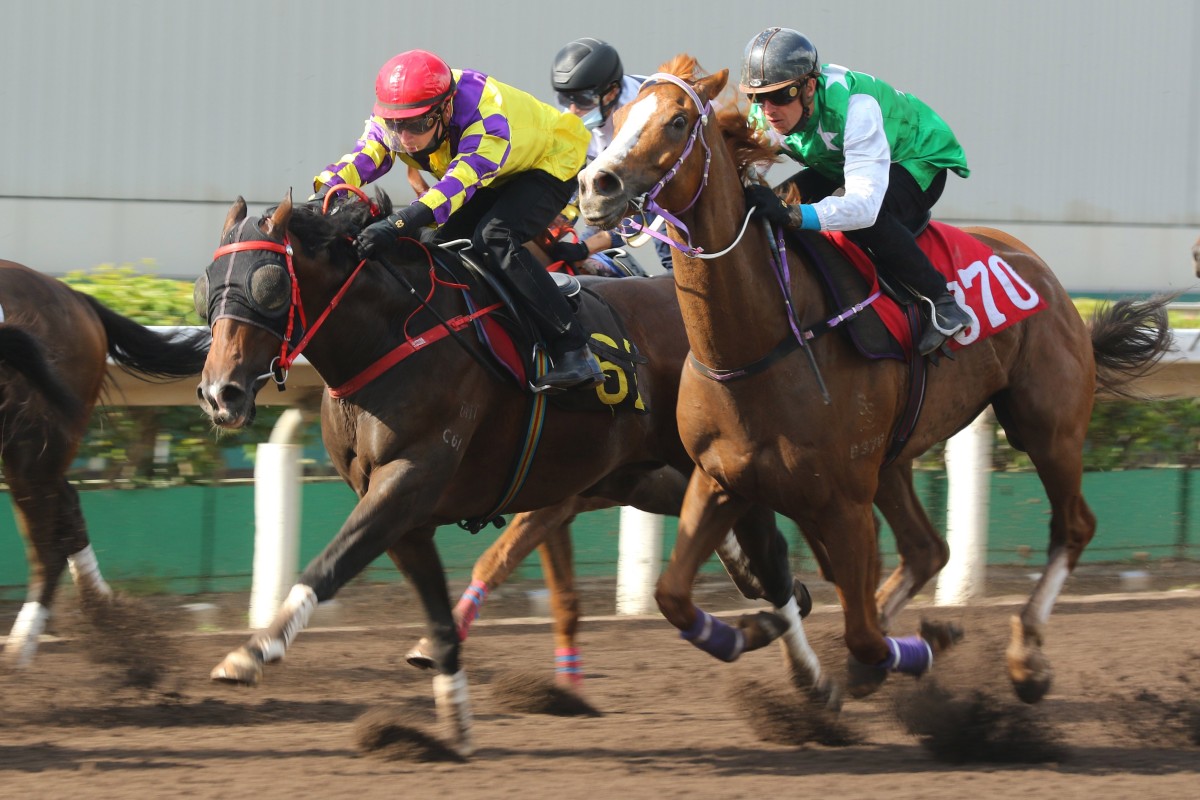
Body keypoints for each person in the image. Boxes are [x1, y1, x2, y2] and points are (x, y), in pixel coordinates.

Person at [312, 49, 603, 393]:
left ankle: (574, 350)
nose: (405, 139)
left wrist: (395, 225)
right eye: (396, 126)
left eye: (417, 125)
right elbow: (365, 155)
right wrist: (321, 194)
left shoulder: (486, 115)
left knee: (494, 238)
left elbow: (455, 187)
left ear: (446, 108)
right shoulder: (397, 113)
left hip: (550, 161)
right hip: (496, 173)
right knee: (437, 247)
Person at [738, 27, 973, 356]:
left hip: (915, 160)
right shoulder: (766, 114)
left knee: (863, 222)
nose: (768, 110)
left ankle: (943, 303)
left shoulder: (856, 108)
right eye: (757, 97)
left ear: (808, 87)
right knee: (768, 204)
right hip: (841, 161)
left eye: (780, 96)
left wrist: (794, 215)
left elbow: (863, 207)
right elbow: (743, 175)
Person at [546, 37, 674, 273]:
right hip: (623, 177)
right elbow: (573, 186)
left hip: (670, 185)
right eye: (565, 99)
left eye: (583, 100)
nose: (573, 111)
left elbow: (645, 206)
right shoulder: (582, 115)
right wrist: (556, 223)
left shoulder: (642, 119)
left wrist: (586, 248)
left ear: (612, 92)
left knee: (671, 258)